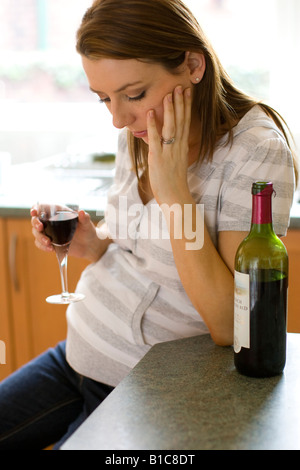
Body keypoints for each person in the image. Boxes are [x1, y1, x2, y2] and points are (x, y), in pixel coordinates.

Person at [0, 0, 297, 450]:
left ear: (193, 65)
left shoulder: (255, 152)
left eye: (133, 94)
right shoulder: (138, 130)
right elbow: (134, 253)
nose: (118, 119)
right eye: (105, 99)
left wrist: (175, 191)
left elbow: (229, 324)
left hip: (146, 386)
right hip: (78, 353)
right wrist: (91, 242)